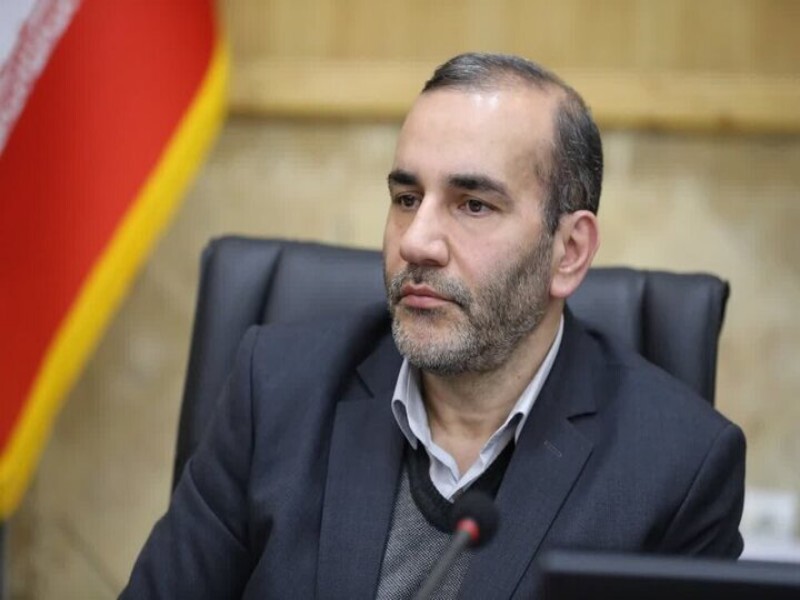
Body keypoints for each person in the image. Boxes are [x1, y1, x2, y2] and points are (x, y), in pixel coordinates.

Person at [121, 53, 745, 599]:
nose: (416, 242)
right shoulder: (277, 391)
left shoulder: (677, 468)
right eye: (406, 198)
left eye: (473, 204)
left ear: (569, 251)